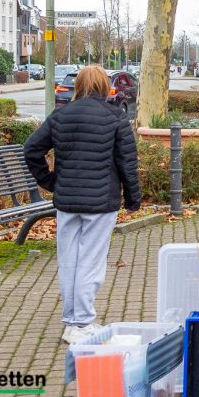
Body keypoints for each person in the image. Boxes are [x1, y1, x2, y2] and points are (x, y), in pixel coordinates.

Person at [23, 65, 141, 344]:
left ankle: (72, 320)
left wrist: (50, 181)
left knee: (69, 262)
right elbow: (127, 162)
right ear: (104, 87)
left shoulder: (60, 115)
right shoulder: (115, 116)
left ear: (78, 86)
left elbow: (31, 149)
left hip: (67, 202)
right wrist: (133, 198)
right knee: (90, 263)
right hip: (101, 202)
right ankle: (82, 322)